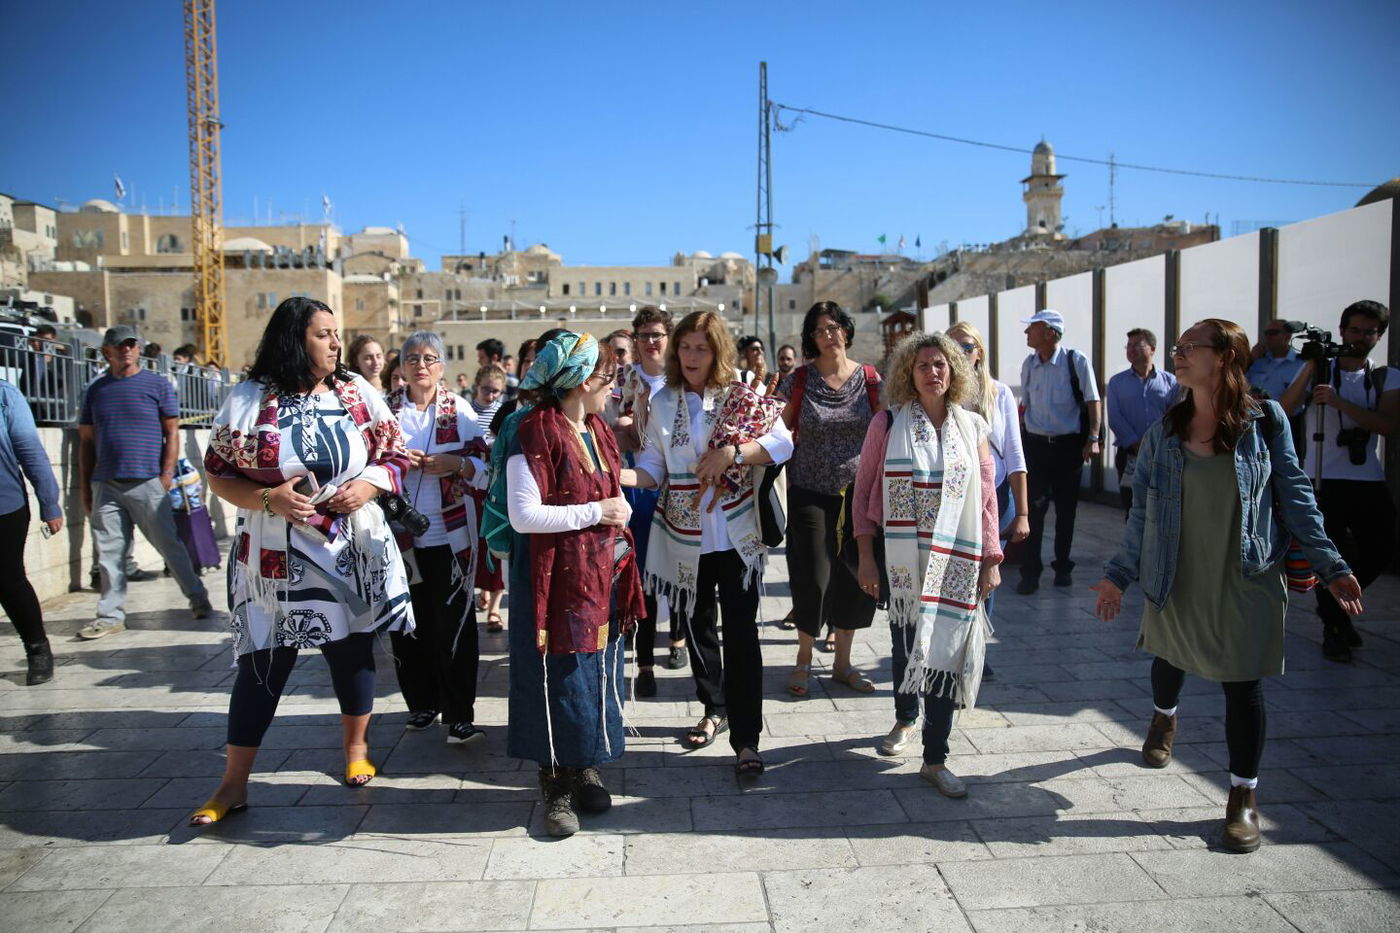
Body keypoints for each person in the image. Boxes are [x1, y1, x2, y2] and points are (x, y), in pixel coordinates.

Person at [1093, 318, 1362, 853]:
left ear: (1224, 357)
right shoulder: (1166, 430)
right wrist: (1118, 575)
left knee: (1244, 684)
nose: (1178, 353)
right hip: (1178, 570)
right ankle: (1164, 717)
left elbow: (1296, 495)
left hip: (1249, 572)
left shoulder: (1267, 422)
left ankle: (1242, 797)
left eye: (1189, 347)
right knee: (1169, 659)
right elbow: (1142, 510)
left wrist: (1331, 565)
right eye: (1177, 347)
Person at [191, 297, 415, 826]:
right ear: (296, 339)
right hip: (273, 556)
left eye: (337, 333)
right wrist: (270, 500)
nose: (336, 343)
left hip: (349, 548)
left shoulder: (356, 393)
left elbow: (396, 455)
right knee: (262, 666)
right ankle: (233, 783)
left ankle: (355, 749)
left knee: (353, 651)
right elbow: (219, 474)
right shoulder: (250, 398)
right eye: (324, 334)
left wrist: (366, 485)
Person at [624, 311, 791, 771]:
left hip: (736, 535)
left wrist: (732, 453)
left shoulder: (741, 391)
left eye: (701, 347)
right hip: (684, 538)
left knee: (741, 635)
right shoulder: (662, 402)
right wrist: (613, 475)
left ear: (717, 350)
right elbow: (654, 468)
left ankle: (748, 740)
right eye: (685, 347)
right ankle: (712, 707)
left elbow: (782, 444)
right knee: (698, 630)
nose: (691, 355)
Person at [503, 332, 644, 837]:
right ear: (583, 381)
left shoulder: (599, 430)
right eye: (607, 378)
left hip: (597, 577)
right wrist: (596, 512)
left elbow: (611, 489)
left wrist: (618, 509)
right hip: (552, 582)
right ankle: (555, 784)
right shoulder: (534, 431)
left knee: (594, 670)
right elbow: (524, 516)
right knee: (555, 677)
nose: (612, 387)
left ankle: (586, 764)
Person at [853, 332, 1001, 795]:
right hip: (904, 560)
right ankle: (904, 717)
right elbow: (862, 494)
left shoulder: (973, 427)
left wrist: (991, 559)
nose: (933, 372)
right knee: (906, 646)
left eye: (941, 364)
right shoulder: (887, 423)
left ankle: (935, 759)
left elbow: (988, 500)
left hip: (958, 559)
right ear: (907, 374)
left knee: (947, 653)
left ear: (954, 371)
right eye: (923, 366)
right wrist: (866, 559)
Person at [1279, 299, 1397, 663]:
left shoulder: (1385, 376)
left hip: (1366, 478)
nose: (1360, 339)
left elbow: (1389, 426)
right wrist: (1312, 367)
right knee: (1326, 554)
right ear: (1342, 330)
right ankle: (1334, 627)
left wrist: (1340, 403)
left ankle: (1335, 611)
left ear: (1378, 336)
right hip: (1321, 478)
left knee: (1380, 548)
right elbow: (1284, 410)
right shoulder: (1320, 371)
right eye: (1355, 330)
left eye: (1369, 332)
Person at [385, 332, 489, 744]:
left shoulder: (458, 409)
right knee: (408, 625)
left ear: (442, 367)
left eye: (430, 358)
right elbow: (364, 461)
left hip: (450, 535)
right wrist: (395, 463)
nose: (421, 365)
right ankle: (422, 703)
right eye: (413, 358)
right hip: (398, 537)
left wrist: (456, 463)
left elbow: (484, 464)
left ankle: (460, 714)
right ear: (402, 367)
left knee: (456, 625)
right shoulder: (385, 410)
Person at [77, 326, 212, 640]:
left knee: (169, 545)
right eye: (120, 346)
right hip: (106, 483)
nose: (127, 350)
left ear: (138, 349)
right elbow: (86, 441)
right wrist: (86, 486)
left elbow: (172, 432)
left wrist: (166, 473)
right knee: (110, 552)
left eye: (131, 345)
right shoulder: (96, 390)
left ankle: (197, 596)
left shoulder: (157, 385)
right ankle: (110, 615)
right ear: (107, 352)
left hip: (147, 480)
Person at [777, 302, 882, 697]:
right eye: (820, 330)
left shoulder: (871, 380)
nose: (829, 335)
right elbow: (778, 431)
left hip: (859, 495)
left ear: (846, 331)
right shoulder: (800, 381)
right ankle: (804, 659)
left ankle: (843, 664)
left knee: (855, 577)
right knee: (814, 576)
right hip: (808, 491)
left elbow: (887, 430)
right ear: (811, 338)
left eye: (834, 327)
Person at [945, 321, 1028, 666]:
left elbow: (1014, 453)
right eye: (953, 346)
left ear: (979, 352)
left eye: (967, 346)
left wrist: (1022, 512)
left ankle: (976, 649)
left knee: (988, 573)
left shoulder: (999, 393)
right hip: (952, 497)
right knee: (956, 574)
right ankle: (954, 646)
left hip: (995, 496)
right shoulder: (942, 392)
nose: (961, 353)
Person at [613, 306, 686, 690]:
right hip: (638, 484)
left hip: (679, 485)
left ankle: (677, 638)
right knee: (641, 574)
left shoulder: (682, 380)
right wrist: (621, 429)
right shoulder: (622, 380)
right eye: (644, 336)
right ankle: (643, 665)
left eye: (658, 335)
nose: (651, 342)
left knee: (677, 567)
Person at [1016, 309, 1101, 594]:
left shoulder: (1075, 361)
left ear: (1050, 332)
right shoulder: (1029, 364)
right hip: (1037, 447)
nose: (1027, 334)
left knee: (1066, 511)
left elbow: (1092, 400)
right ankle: (1030, 573)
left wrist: (1093, 437)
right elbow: (1025, 406)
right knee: (1033, 511)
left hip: (1068, 448)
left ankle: (1062, 566)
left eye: (1032, 329)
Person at [0, 378, 62, 685]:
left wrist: (49, 503)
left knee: (8, 579)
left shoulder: (4, 395)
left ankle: (38, 649)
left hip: (5, 505)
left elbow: (30, 452)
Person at [1106, 328, 1178, 512]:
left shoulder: (1170, 382)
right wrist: (1137, 444)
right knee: (1132, 508)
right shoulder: (1117, 382)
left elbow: (1174, 416)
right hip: (1130, 453)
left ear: (1152, 349)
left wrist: (1155, 444)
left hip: (1161, 453)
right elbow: (1115, 418)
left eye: (1137, 345)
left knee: (1160, 506)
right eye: (1128, 346)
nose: (1131, 350)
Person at [468, 363, 508, 631]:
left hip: (495, 486)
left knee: (495, 540)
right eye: (486, 390)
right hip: (471, 485)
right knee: (477, 542)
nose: (491, 396)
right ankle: (482, 590)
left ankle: (494, 606)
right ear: (476, 387)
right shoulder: (466, 412)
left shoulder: (504, 413)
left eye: (496, 392)